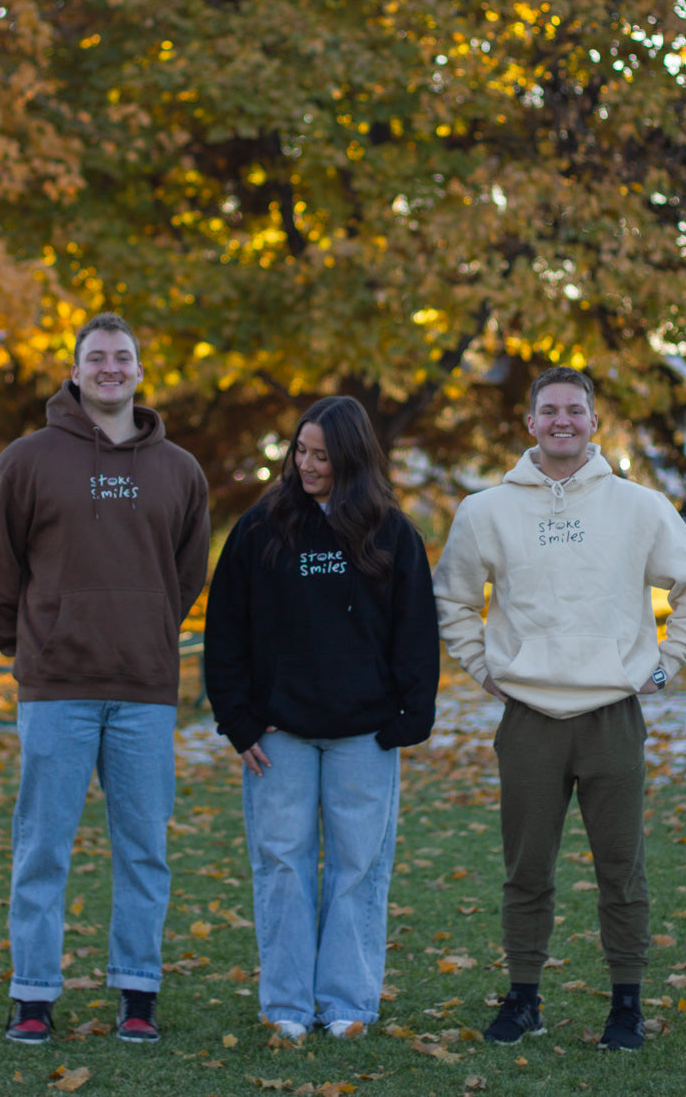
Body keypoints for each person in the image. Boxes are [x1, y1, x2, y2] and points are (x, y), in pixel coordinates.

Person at [433, 365, 686, 1052]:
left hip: (611, 717)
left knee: (621, 869)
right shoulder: (486, 510)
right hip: (529, 717)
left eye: (575, 410)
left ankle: (626, 1004)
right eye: (549, 410)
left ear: (594, 423)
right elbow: (452, 598)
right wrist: (482, 667)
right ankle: (524, 997)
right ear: (529, 424)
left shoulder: (638, 506)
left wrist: (666, 661)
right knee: (526, 871)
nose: (562, 420)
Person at [0, 311, 209, 1046]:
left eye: (123, 357)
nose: (111, 368)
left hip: (142, 690)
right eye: (97, 358)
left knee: (144, 847)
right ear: (75, 372)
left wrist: (146, 631)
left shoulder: (179, 470)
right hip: (57, 687)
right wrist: (27, 645)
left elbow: (188, 573)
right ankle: (33, 994)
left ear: (140, 371)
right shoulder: (30, 458)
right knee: (43, 845)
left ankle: (138, 993)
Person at [203, 395, 439, 1041]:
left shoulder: (391, 533)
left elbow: (416, 632)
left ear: (353, 460)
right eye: (300, 452)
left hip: (365, 734)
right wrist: (238, 722)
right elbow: (224, 629)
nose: (307, 465)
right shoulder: (261, 528)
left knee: (359, 867)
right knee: (281, 863)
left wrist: (405, 723)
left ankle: (347, 1004)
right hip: (278, 735)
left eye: (322, 457)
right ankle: (286, 1004)